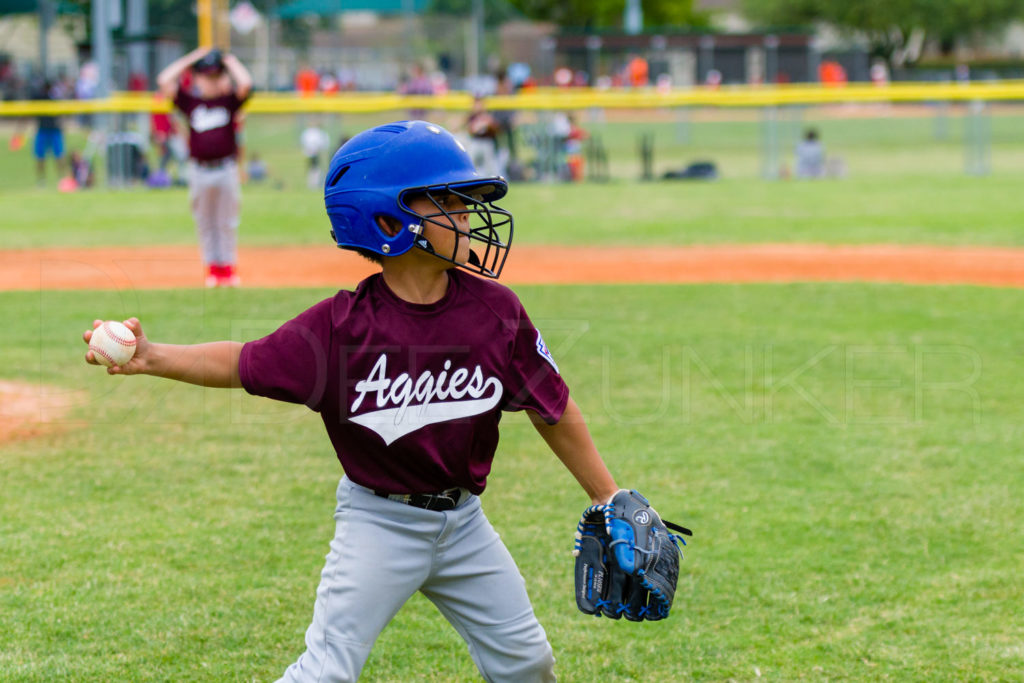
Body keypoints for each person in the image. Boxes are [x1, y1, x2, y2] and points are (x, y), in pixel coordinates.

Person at [83, 120, 627, 682]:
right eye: (448, 201)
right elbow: (243, 362)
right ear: (389, 220)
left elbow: (551, 408)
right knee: (326, 670)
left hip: (464, 525)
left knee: (527, 661)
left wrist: (606, 495)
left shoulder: (496, 311)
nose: (467, 215)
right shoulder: (340, 328)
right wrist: (152, 356)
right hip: (379, 522)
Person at [157, 47, 252, 287]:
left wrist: (228, 60)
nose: (211, 81)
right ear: (197, 78)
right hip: (199, 170)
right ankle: (213, 270)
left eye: (216, 75)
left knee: (226, 221)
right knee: (205, 221)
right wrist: (191, 59)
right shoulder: (191, 103)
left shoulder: (228, 102)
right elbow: (164, 80)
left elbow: (246, 83)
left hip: (226, 168)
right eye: (206, 76)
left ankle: (228, 270)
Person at [31, 79, 67, 186]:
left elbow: (61, 115)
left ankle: (61, 179)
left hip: (54, 130)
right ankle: (42, 180)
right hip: (43, 130)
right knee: (41, 156)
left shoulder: (54, 99)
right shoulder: (39, 99)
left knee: (58, 155)